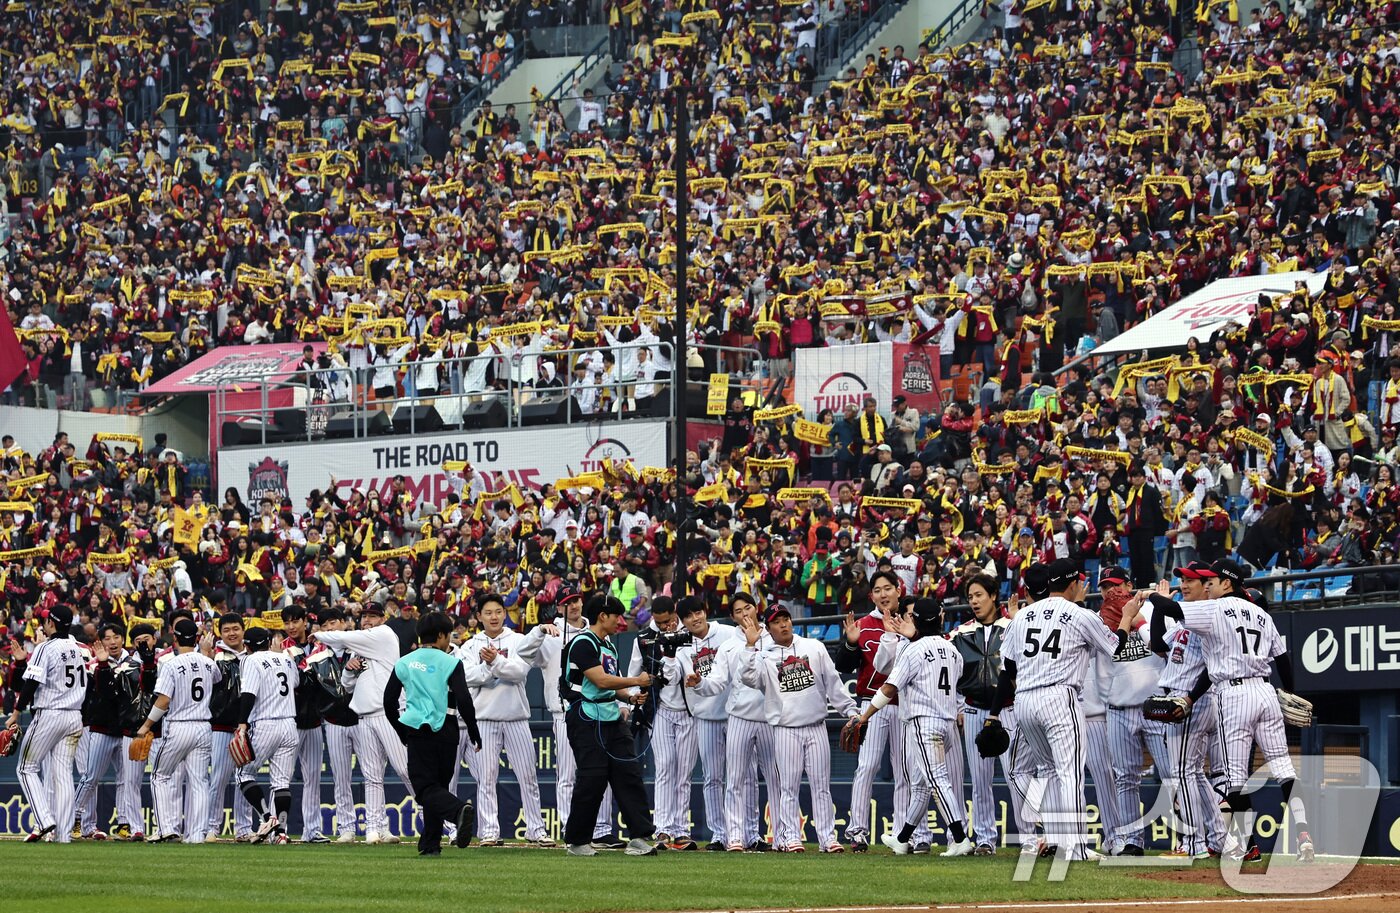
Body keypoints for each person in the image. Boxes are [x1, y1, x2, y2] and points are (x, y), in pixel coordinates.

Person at [1148, 560, 1314, 863]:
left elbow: (1172, 611)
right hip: (1265, 689)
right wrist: (1289, 692)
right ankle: (1304, 836)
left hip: (1233, 693)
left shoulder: (1215, 609)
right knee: (1284, 769)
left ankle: (1248, 844)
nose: (1208, 585)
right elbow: (1284, 659)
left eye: (1214, 581)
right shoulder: (1262, 613)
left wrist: (1155, 597)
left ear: (1228, 583)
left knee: (1235, 776)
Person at [984, 559, 1146, 860]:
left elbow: (1008, 666)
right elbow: (1115, 648)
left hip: (1025, 700)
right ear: (1073, 584)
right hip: (1059, 696)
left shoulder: (1021, 616)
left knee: (1040, 770)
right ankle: (1076, 848)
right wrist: (1126, 618)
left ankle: (1058, 837)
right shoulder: (1079, 613)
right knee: (1068, 773)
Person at [850, 597, 973, 857]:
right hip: (948, 724)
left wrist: (865, 716)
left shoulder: (913, 650)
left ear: (914, 620)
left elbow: (889, 687)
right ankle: (903, 838)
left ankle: (960, 839)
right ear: (940, 619)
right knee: (919, 785)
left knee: (938, 781)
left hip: (923, 723)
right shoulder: (952, 650)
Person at [741, 604, 858, 853]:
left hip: (816, 725)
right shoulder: (764, 656)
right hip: (785, 729)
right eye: (776, 621)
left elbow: (833, 683)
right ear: (768, 628)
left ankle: (828, 838)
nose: (783, 624)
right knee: (789, 787)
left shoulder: (813, 647)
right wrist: (751, 647)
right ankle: (790, 836)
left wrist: (850, 710)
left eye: (786, 619)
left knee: (821, 786)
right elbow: (748, 678)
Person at [836, 569, 931, 852]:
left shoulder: (911, 623)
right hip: (871, 703)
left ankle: (905, 834)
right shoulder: (863, 624)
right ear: (872, 596)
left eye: (888, 588)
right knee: (866, 767)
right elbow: (846, 665)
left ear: (899, 591)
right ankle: (858, 831)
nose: (883, 594)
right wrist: (851, 642)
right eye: (877, 590)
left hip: (904, 703)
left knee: (906, 771)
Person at [560, 593, 658, 857]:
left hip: (610, 716)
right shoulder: (582, 643)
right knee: (592, 777)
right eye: (616, 616)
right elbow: (601, 681)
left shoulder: (609, 646)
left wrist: (629, 696)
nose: (620, 622)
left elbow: (610, 686)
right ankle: (578, 840)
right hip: (585, 717)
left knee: (628, 773)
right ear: (603, 616)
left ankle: (639, 836)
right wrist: (636, 680)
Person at [312, 602, 417, 844]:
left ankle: (436, 817)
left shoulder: (383, 634)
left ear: (383, 618)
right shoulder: (363, 649)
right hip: (364, 717)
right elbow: (348, 686)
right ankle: (374, 829)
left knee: (406, 769)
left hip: (388, 714)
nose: (368, 620)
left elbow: (347, 637)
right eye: (365, 616)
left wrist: (317, 633)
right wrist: (349, 671)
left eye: (373, 616)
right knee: (371, 776)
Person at [457, 593, 557, 846]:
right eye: (488, 612)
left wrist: (495, 663)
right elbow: (469, 677)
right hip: (484, 719)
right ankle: (490, 831)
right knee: (486, 778)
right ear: (478, 616)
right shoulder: (470, 645)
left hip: (516, 717)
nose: (494, 617)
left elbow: (520, 672)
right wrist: (494, 669)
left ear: (505, 613)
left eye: (498, 611)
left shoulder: (518, 640)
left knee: (528, 776)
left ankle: (536, 830)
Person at [383, 611, 482, 856]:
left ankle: (458, 811)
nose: (450, 640)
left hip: (417, 730)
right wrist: (472, 729)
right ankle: (430, 844)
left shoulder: (405, 662)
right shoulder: (451, 662)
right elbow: (464, 699)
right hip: (447, 729)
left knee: (425, 788)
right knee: (437, 787)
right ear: (440, 635)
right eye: (448, 635)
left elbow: (388, 702)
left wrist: (401, 730)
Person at [1095, 564, 1169, 856]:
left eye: (1115, 584)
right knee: (1125, 778)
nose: (1110, 591)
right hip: (1118, 708)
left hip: (1154, 705)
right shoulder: (1098, 620)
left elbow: (1165, 648)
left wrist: (1137, 618)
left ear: (1129, 583)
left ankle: (1195, 839)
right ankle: (1131, 842)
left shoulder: (1151, 609)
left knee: (1172, 772)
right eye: (1104, 586)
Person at [535, 587, 617, 846]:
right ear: (560, 607)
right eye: (567, 602)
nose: (573, 606)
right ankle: (574, 830)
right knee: (568, 775)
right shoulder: (551, 634)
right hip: (565, 711)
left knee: (599, 771)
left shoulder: (598, 633)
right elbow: (526, 656)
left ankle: (601, 830)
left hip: (599, 710)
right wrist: (538, 631)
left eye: (576, 601)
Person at [5, 605, 87, 843]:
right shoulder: (77, 648)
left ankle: (43, 820)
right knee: (62, 776)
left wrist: (16, 712)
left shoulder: (45, 647)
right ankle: (63, 836)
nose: (44, 623)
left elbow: (30, 684)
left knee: (25, 767)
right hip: (74, 716)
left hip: (50, 713)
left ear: (52, 622)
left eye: (46, 620)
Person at [136, 617, 219, 843]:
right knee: (199, 782)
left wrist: (145, 726)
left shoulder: (171, 664)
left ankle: (166, 828)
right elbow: (216, 679)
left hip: (178, 725)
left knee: (159, 776)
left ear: (174, 637)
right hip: (203, 727)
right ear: (197, 638)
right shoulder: (208, 662)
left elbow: (163, 701)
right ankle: (197, 835)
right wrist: (206, 654)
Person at [669, 595, 741, 850]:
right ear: (682, 621)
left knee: (740, 776)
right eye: (688, 616)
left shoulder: (729, 633)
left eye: (698, 612)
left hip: (735, 714)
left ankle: (742, 833)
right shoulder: (680, 646)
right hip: (705, 717)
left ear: (705, 611)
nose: (695, 618)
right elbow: (670, 677)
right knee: (712, 777)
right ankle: (719, 834)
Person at [627, 596, 697, 849]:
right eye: (658, 622)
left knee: (685, 770)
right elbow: (633, 671)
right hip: (660, 709)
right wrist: (627, 704)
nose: (663, 626)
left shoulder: (690, 633)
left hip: (690, 710)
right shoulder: (644, 637)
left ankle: (680, 829)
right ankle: (663, 829)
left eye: (667, 621)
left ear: (674, 614)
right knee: (666, 767)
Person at [235, 625, 301, 844]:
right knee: (281, 782)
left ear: (247, 645)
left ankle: (267, 817)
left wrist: (242, 723)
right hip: (289, 724)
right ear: (268, 641)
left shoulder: (251, 661)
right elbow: (296, 684)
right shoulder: (286, 658)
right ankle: (281, 833)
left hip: (265, 723)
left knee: (244, 774)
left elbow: (248, 694)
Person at [208, 614, 256, 841]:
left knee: (244, 778)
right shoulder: (214, 657)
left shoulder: (254, 656)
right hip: (221, 725)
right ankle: (211, 827)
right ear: (220, 633)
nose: (232, 633)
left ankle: (244, 829)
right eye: (226, 630)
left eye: (236, 628)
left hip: (247, 726)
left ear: (244, 629)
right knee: (218, 778)